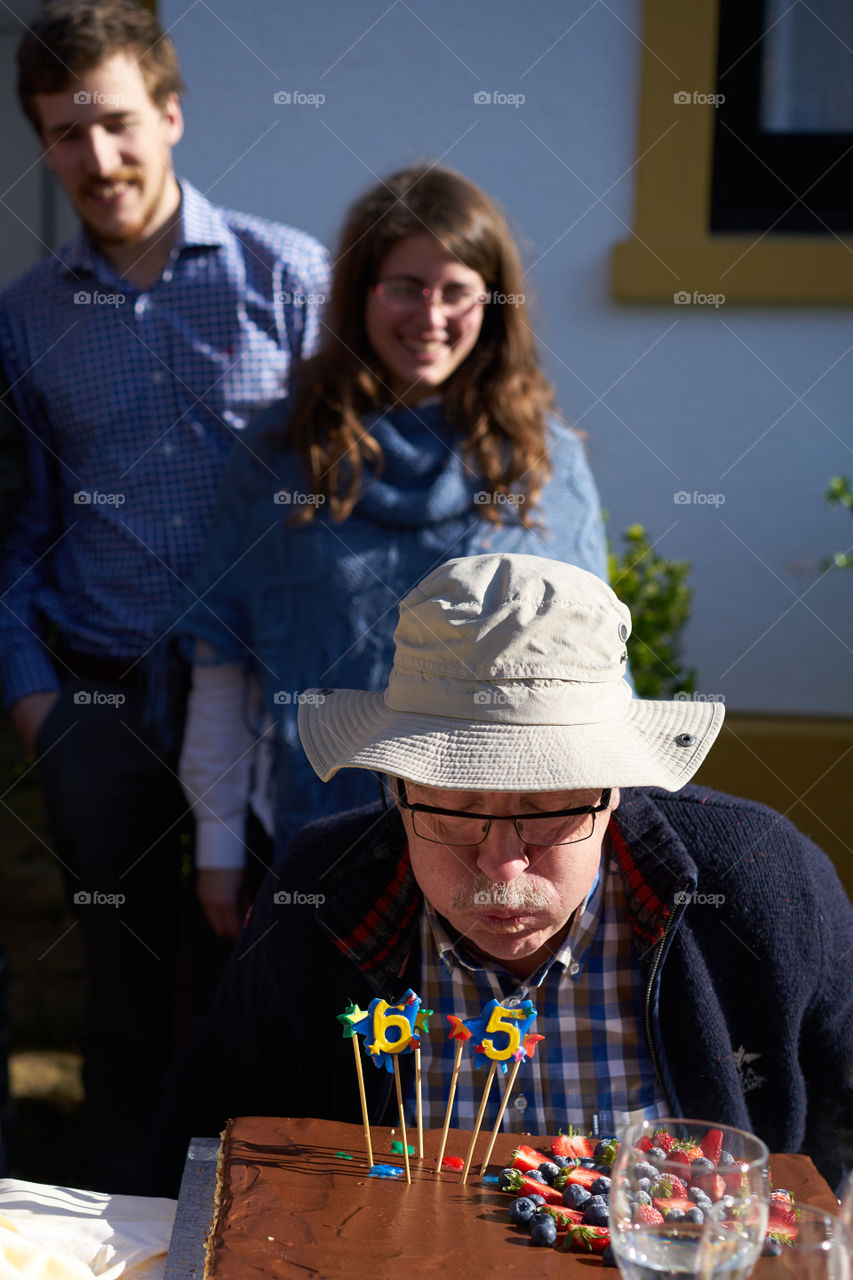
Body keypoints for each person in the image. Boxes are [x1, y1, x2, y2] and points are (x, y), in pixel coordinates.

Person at [152, 554, 853, 1195]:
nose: (500, 864)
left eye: (547, 811)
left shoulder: (760, 881)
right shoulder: (320, 892)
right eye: (453, 811)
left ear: (612, 791)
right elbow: (206, 1121)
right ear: (395, 790)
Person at [0, 0, 328, 1191]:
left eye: (119, 124)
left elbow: (354, 483)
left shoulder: (288, 279)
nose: (97, 160)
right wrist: (40, 705)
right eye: (63, 134)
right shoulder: (27, 317)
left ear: (173, 115)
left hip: (263, 705)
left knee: (276, 978)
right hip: (99, 692)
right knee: (125, 994)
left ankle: (267, 1222)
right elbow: (18, 527)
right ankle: (115, 1222)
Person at [175, 163, 610, 940]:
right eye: (404, 286)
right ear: (360, 294)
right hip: (323, 852)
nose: (430, 314)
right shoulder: (283, 455)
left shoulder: (542, 463)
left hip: (504, 867)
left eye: (457, 290)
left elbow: (596, 688)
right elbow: (223, 666)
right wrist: (217, 850)